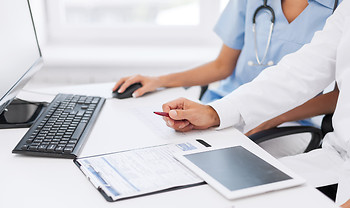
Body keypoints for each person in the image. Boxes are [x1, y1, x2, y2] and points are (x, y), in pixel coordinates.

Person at [160, 0, 350, 208]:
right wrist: (214, 112)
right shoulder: (346, 11)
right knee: (214, 195)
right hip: (334, 158)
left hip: (324, 156)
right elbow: (298, 73)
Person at [114, 0, 340, 131]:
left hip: (287, 123)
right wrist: (159, 81)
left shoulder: (340, 12)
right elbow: (222, 66)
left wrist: (273, 117)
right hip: (223, 103)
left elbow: (340, 96)